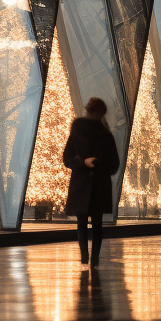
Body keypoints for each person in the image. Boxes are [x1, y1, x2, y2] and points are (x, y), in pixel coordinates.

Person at [62, 98, 120, 265]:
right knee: (97, 225)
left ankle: (84, 257)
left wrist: (82, 162)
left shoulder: (77, 131)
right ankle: (94, 259)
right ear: (102, 113)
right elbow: (114, 165)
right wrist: (98, 165)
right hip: (99, 185)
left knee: (82, 224)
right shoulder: (106, 135)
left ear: (87, 110)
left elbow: (67, 158)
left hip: (80, 183)